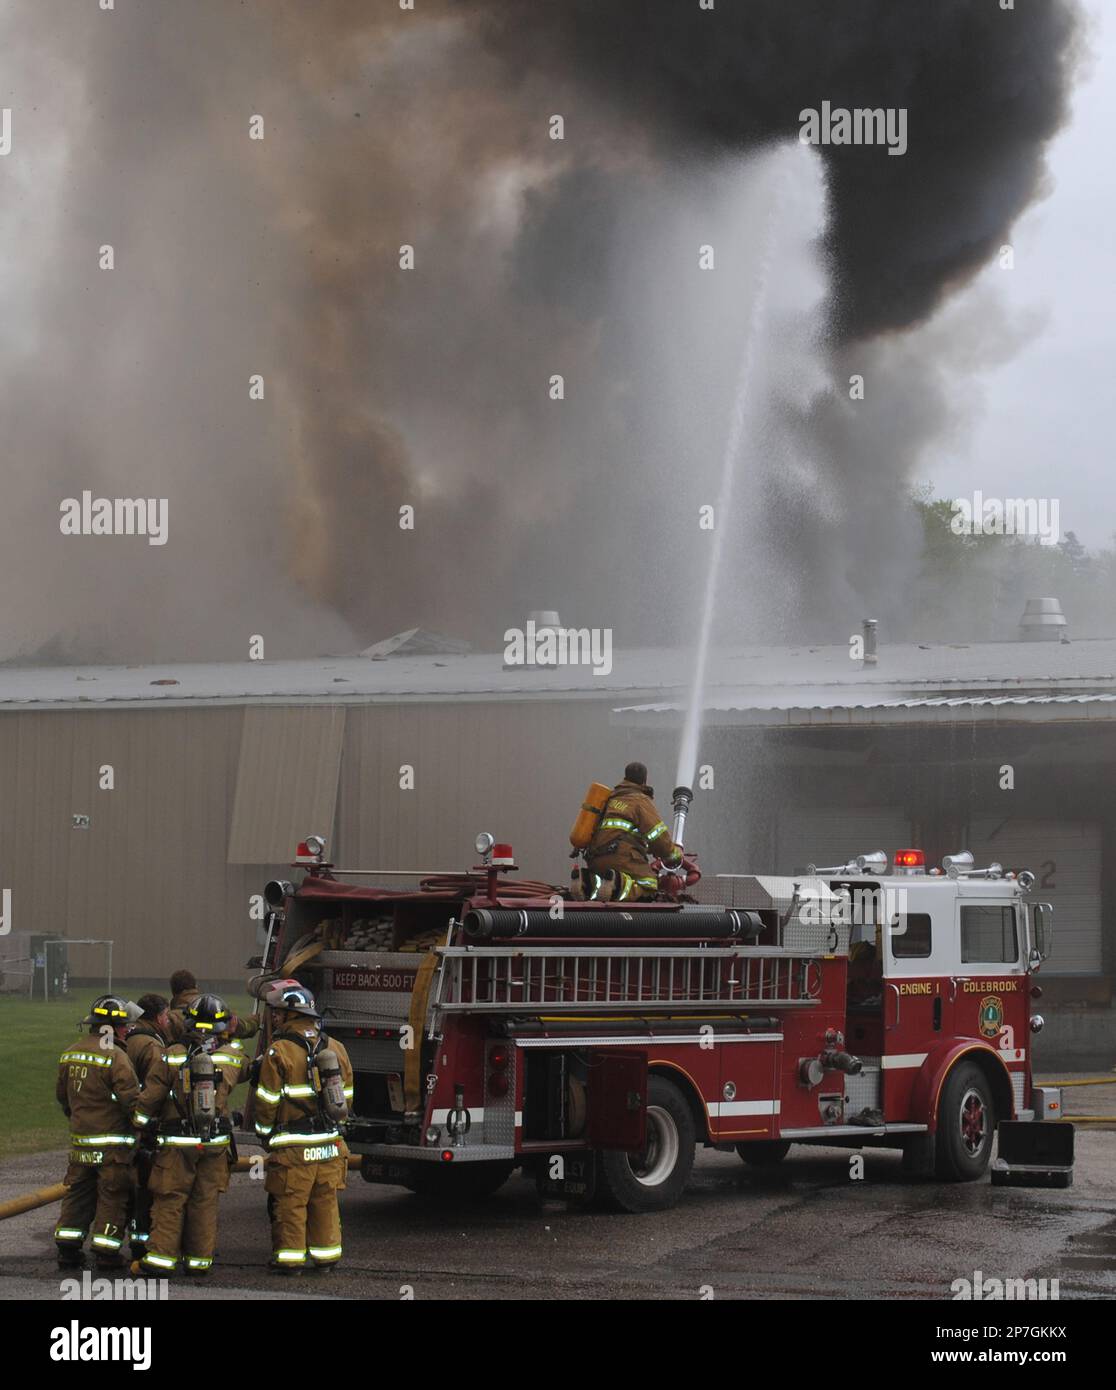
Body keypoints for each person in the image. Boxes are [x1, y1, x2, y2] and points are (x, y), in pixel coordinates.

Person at [131, 993, 249, 1277]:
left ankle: (160, 1260)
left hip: (177, 1143)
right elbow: (247, 1070)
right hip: (215, 1144)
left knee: (170, 1198)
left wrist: (139, 1123)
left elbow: (152, 1096)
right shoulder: (232, 1056)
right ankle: (199, 1262)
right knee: (205, 1201)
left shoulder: (171, 1054)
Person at [251, 983, 353, 1274]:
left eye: (277, 1012)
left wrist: (264, 1132)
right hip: (330, 1144)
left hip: (294, 1146)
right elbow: (348, 1096)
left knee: (291, 1204)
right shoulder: (336, 1047)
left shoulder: (279, 1050)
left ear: (289, 1013)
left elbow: (267, 1100)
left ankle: (290, 1261)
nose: (273, 1018)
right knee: (325, 1201)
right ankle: (327, 1258)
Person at [54, 994, 142, 1270]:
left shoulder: (71, 1052)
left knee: (78, 1194)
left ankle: (67, 1249)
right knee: (112, 1195)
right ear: (112, 1027)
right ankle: (106, 1253)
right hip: (113, 1146)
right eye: (125, 1026)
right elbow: (132, 1103)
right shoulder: (116, 1057)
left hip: (81, 1143)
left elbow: (63, 1097)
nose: (128, 1030)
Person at [584, 761, 684, 902]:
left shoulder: (610, 799)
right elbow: (658, 837)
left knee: (602, 879)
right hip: (621, 859)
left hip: (595, 858)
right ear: (644, 780)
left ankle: (586, 883)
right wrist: (673, 855)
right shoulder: (640, 801)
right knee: (649, 884)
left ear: (626, 777)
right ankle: (617, 884)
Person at [124, 993, 172, 1259]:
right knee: (147, 1188)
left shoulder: (128, 1038)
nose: (167, 1021)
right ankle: (142, 1244)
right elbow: (157, 1089)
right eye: (165, 1016)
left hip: (123, 1125)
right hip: (145, 1128)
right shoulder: (153, 1047)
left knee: (124, 1189)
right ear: (156, 1017)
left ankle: (122, 1241)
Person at [166, 969, 259, 1042]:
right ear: (196, 986)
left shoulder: (171, 1018)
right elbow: (246, 1027)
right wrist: (256, 1020)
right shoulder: (215, 1009)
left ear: (173, 992)